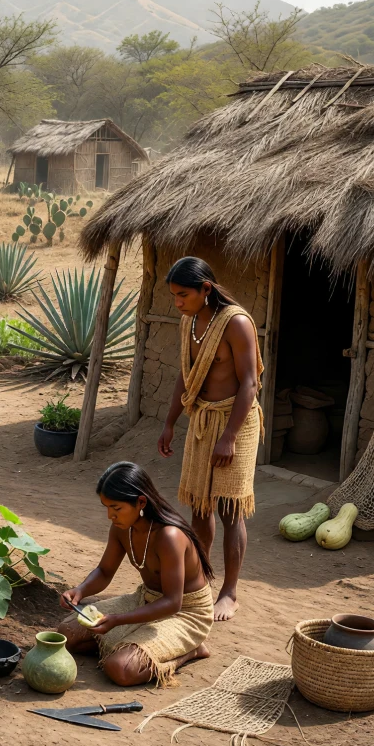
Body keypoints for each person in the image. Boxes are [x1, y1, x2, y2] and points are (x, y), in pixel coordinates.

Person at [156, 257, 261, 622]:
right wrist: (170, 422)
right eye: (173, 296)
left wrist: (229, 436)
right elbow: (186, 376)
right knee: (200, 507)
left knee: (230, 509)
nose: (178, 303)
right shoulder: (190, 322)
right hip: (202, 420)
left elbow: (250, 383)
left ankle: (230, 592)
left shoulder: (236, 323)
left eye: (183, 294)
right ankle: (199, 583)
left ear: (205, 289)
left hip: (238, 422)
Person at [58, 462, 215, 687]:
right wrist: (79, 591)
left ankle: (190, 650)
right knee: (68, 634)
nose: (110, 515)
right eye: (106, 507)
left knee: (120, 668)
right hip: (146, 599)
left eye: (116, 508)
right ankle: (133, 644)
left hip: (186, 613)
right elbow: (104, 571)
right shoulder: (122, 529)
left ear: (141, 502)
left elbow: (173, 603)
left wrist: (118, 621)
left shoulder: (169, 537)